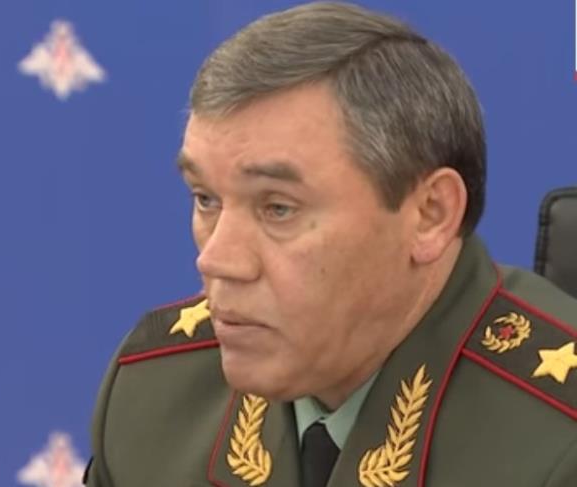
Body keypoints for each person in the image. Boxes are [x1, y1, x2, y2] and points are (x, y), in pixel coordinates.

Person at [83, 3, 577, 486]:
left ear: (430, 215)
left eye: (278, 208)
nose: (216, 260)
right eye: (205, 199)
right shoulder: (154, 392)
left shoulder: (560, 443)